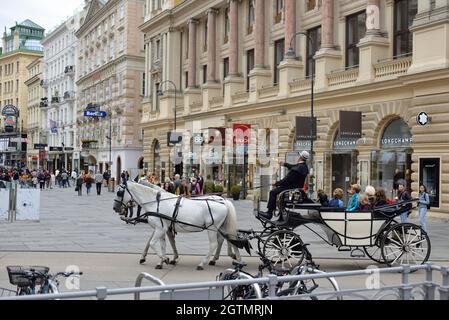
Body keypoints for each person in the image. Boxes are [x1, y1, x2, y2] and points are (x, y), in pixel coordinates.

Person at [260, 151, 309, 220]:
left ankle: (269, 213)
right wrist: (284, 164)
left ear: (300, 157)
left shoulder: (297, 168)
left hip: (291, 188)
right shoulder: (303, 166)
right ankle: (280, 215)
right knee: (277, 191)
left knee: (273, 192)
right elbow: (292, 166)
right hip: (295, 187)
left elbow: (286, 181)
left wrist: (277, 183)